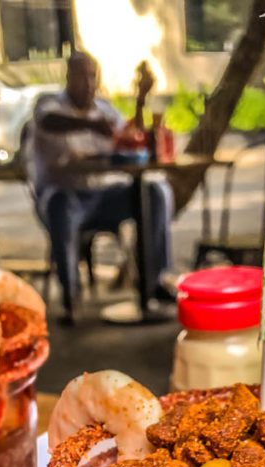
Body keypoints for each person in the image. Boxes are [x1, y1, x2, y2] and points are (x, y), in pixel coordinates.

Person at [30, 51, 174, 323]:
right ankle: (70, 297)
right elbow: (48, 122)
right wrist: (91, 125)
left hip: (104, 196)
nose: (87, 82)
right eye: (80, 75)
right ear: (68, 77)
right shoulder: (49, 106)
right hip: (64, 194)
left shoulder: (105, 109)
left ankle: (155, 282)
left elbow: (129, 137)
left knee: (155, 193)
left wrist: (141, 100)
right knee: (60, 204)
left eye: (92, 75)